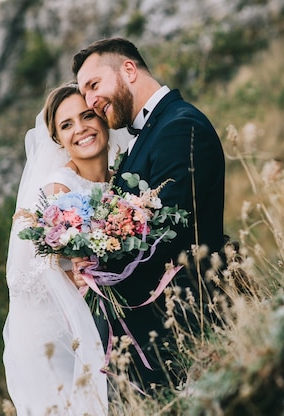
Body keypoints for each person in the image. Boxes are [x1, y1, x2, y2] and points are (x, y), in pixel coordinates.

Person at [70, 37, 226, 389]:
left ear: (128, 70)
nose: (91, 102)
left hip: (185, 315)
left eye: (94, 85)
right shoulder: (150, 132)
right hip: (157, 322)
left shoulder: (178, 126)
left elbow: (169, 234)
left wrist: (101, 271)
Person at [3, 83, 131, 415]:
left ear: (103, 119)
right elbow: (22, 277)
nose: (81, 129)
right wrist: (67, 280)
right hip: (59, 336)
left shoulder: (123, 183)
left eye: (87, 116)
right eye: (67, 124)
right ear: (58, 139)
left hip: (111, 324)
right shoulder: (56, 189)